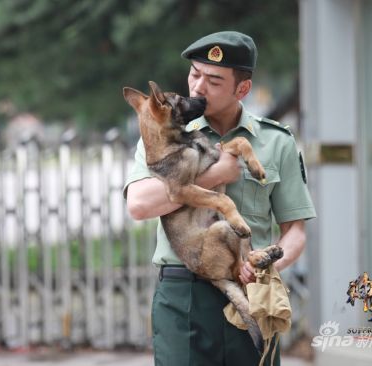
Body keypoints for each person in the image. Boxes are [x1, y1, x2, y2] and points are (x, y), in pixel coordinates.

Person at [124, 31, 316, 366]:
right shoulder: (163, 133)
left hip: (250, 292)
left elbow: (296, 231)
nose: (198, 87)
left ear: (242, 88)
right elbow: (139, 205)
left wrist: (270, 267)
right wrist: (215, 174)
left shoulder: (277, 141)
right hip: (183, 298)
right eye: (194, 74)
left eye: (213, 80)